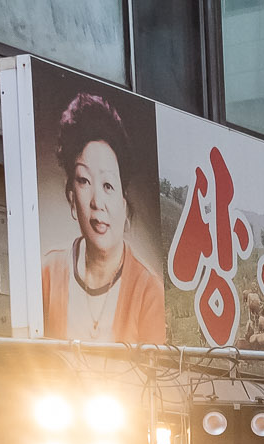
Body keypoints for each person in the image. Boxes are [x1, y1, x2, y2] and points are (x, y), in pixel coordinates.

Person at [38, 92, 163, 342]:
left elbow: (157, 377)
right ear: (72, 197)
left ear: (124, 202)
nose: (97, 202)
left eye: (108, 185)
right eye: (84, 181)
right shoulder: (48, 272)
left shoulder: (148, 289)